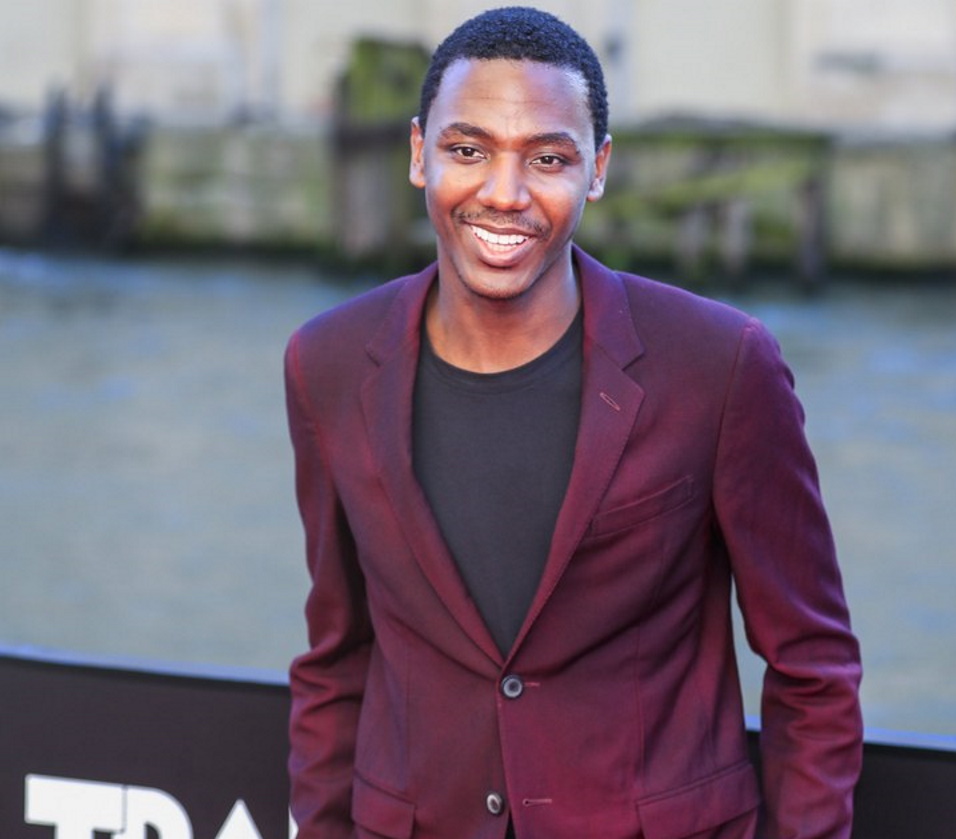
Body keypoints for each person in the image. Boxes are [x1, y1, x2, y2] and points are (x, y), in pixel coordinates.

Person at [284, 7, 862, 838]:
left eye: (548, 158)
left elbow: (813, 666)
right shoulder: (327, 363)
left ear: (598, 169)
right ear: (418, 154)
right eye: (468, 150)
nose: (504, 193)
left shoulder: (721, 364)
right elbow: (336, 659)